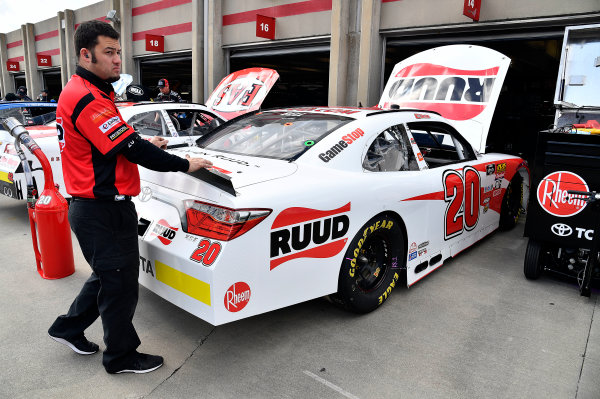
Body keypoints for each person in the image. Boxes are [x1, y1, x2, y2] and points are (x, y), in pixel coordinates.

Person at [47, 20, 212, 375]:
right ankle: (120, 357)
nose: (117, 60)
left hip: (97, 208)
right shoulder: (87, 96)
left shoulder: (90, 91)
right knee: (120, 286)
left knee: (108, 277)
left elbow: (113, 144)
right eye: (109, 52)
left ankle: (68, 328)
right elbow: (131, 147)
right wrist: (185, 164)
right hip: (101, 210)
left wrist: (141, 143)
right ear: (85, 54)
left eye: (119, 52)